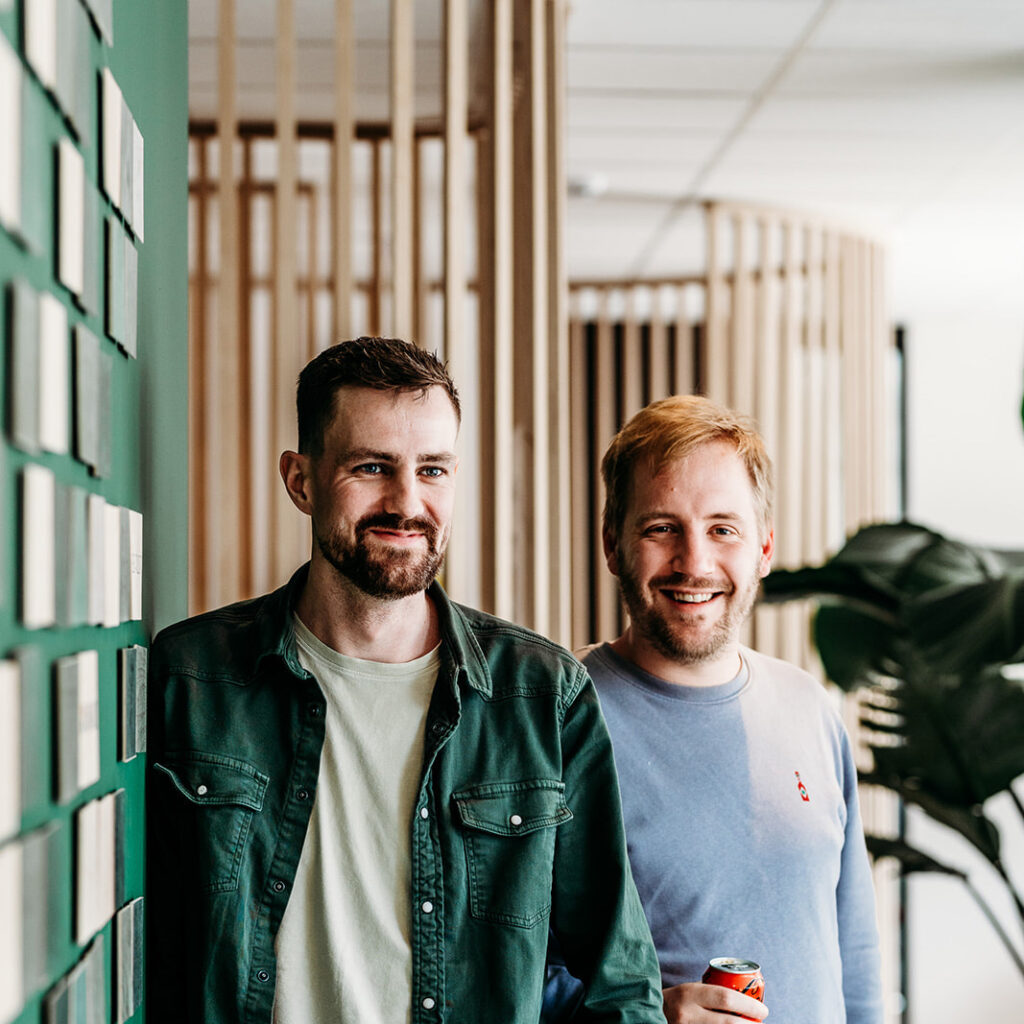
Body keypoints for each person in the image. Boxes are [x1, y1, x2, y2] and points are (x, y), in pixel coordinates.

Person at [146, 337, 664, 1024]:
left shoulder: (541, 695)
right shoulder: (193, 677)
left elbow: (619, 986)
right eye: (371, 467)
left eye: (433, 470)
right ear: (301, 480)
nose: (407, 501)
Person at [545, 394, 883, 1024]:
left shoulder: (810, 708)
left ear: (764, 549)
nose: (694, 562)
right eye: (660, 528)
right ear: (612, 544)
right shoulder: (555, 723)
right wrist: (645, 1014)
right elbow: (508, 969)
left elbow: (854, 958)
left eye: (723, 529)